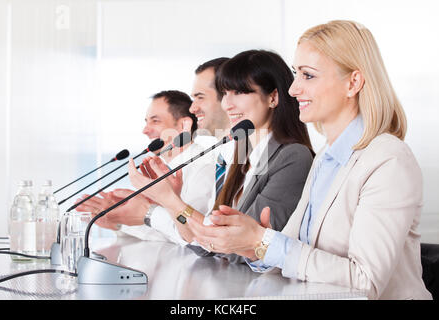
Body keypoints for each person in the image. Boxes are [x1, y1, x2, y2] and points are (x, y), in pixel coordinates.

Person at [185, 20, 433, 300]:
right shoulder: (326, 157)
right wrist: (251, 246)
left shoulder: (388, 160)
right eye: (295, 74)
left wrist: (265, 242)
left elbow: (365, 282)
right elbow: (291, 251)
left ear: (353, 82)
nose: (293, 89)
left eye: (308, 75)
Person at [127, 49, 315, 263]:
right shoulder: (243, 158)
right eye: (225, 93)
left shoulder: (292, 158)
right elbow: (205, 246)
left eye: (240, 92)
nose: (227, 104)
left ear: (273, 97)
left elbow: (235, 249)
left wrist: (169, 200)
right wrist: (172, 201)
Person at [74, 90, 216, 244]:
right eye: (146, 122)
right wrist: (120, 220)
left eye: (155, 121)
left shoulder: (203, 167)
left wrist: (142, 213)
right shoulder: (160, 168)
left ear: (184, 125)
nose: (145, 131)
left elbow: (190, 238)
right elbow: (165, 231)